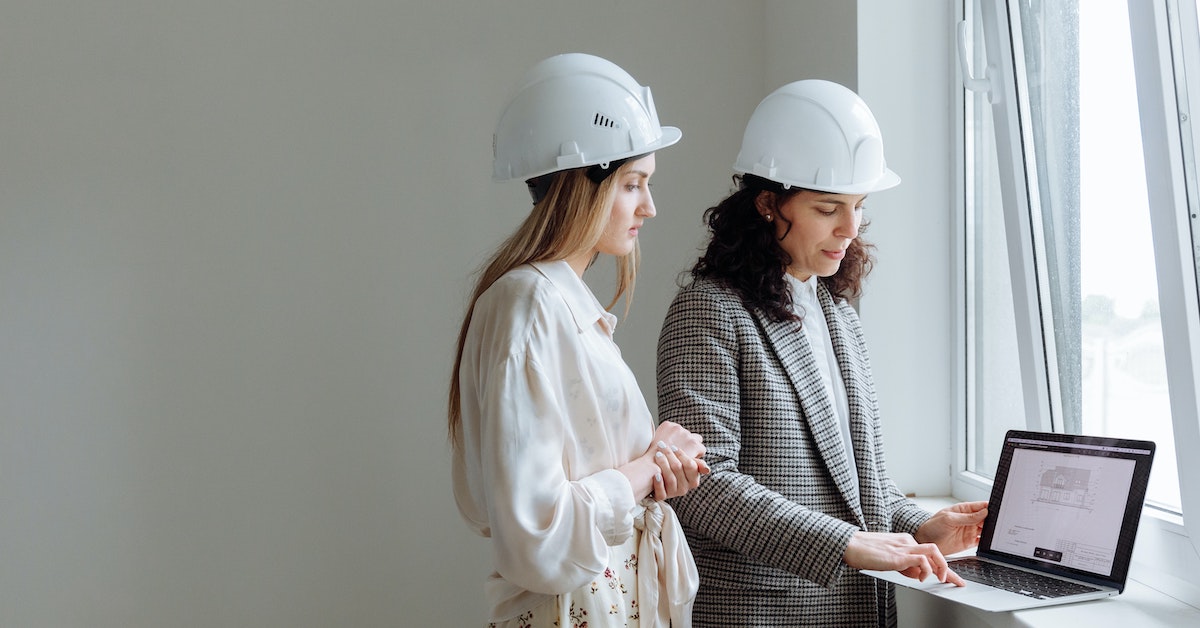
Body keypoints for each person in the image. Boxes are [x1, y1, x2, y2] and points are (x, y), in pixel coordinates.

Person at [655, 79, 988, 627]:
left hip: (854, 610)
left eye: (858, 206)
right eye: (828, 207)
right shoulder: (708, 310)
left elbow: (857, 482)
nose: (849, 228)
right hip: (763, 614)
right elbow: (701, 484)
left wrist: (919, 526)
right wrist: (847, 544)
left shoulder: (836, 312)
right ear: (767, 203)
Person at [449, 53, 709, 628]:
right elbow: (536, 535)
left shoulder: (553, 304)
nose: (650, 207)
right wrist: (647, 468)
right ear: (579, 186)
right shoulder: (529, 305)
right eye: (632, 184)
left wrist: (656, 467)